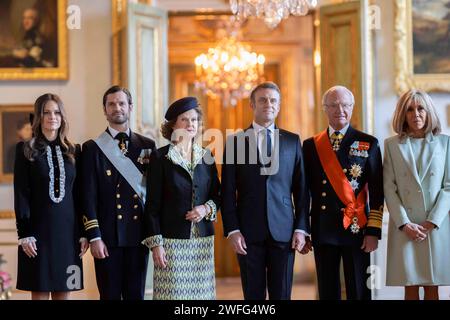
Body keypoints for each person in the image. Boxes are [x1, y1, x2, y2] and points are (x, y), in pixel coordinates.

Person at [221, 82, 309, 300]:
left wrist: (301, 228)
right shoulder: (236, 142)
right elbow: (227, 191)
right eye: (262, 100)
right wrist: (232, 230)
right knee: (253, 296)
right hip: (247, 233)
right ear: (252, 104)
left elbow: (302, 189)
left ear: (278, 106)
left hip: (285, 232)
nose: (268, 104)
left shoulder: (292, 141)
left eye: (273, 100)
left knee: (282, 294)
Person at [302, 85, 384, 300]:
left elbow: (377, 191)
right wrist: (303, 229)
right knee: (328, 290)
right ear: (325, 109)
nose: (340, 109)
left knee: (358, 288)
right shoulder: (310, 146)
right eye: (334, 105)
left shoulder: (369, 143)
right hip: (323, 226)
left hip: (357, 227)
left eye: (346, 105)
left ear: (352, 107)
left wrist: (373, 231)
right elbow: (303, 192)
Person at [81, 85, 156, 300]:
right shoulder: (92, 148)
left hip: (138, 236)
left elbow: (153, 196)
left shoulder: (147, 145)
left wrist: (154, 235)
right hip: (107, 238)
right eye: (111, 104)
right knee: (109, 296)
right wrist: (94, 236)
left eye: (122, 103)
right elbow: (88, 196)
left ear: (130, 107)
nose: (117, 108)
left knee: (136, 296)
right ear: (104, 110)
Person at [143, 96, 220, 300]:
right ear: (173, 125)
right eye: (184, 120)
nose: (190, 124)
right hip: (171, 244)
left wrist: (206, 209)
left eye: (194, 120)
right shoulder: (160, 158)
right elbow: (152, 205)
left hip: (202, 243)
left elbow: (217, 195)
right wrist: (156, 244)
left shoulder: (207, 156)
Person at [13, 93, 88, 300]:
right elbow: (21, 194)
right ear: (38, 117)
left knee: (65, 291)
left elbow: (80, 195)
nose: (52, 117)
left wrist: (83, 233)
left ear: (62, 117)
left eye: (56, 112)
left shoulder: (75, 151)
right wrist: (24, 233)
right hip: (37, 235)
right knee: (39, 292)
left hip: (68, 235)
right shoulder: (25, 149)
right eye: (46, 112)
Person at [383, 89, 450, 300]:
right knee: (410, 286)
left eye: (421, 108)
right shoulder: (392, 145)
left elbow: (448, 186)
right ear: (403, 114)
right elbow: (389, 187)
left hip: (435, 226)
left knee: (433, 287)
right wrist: (404, 223)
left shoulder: (444, 142)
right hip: (407, 227)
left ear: (429, 111)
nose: (416, 114)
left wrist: (433, 221)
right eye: (409, 109)